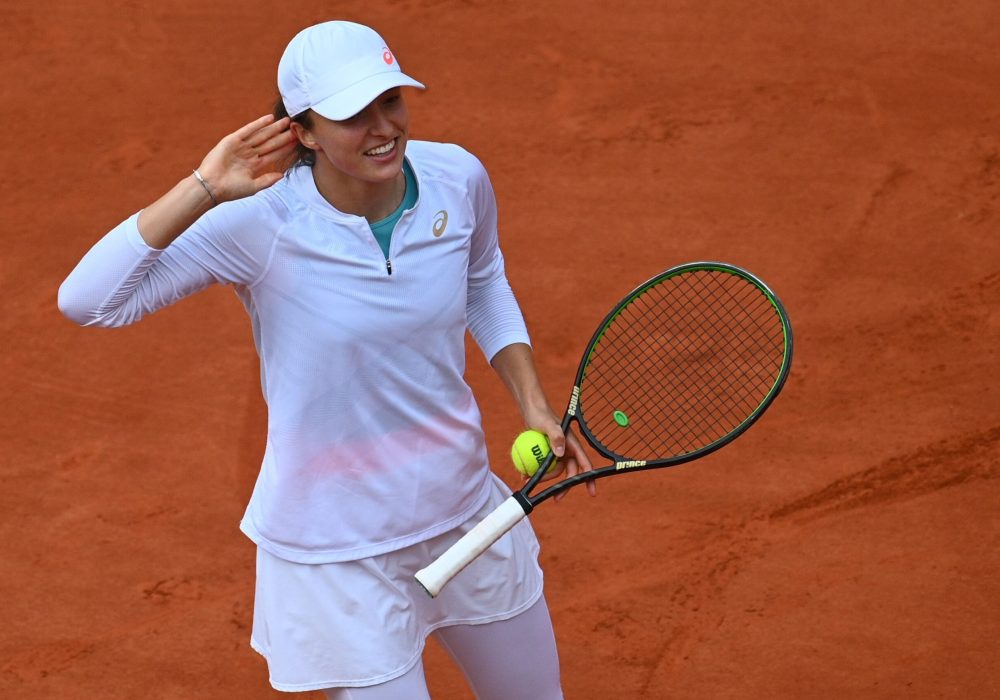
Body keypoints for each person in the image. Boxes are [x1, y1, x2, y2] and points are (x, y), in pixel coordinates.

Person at [58, 20, 595, 699]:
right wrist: (203, 185)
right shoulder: (259, 223)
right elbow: (88, 301)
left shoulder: (457, 178)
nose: (383, 128)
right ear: (303, 132)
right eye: (351, 115)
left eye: (391, 101)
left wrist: (534, 404)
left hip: (466, 515)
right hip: (339, 556)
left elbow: (483, 280)